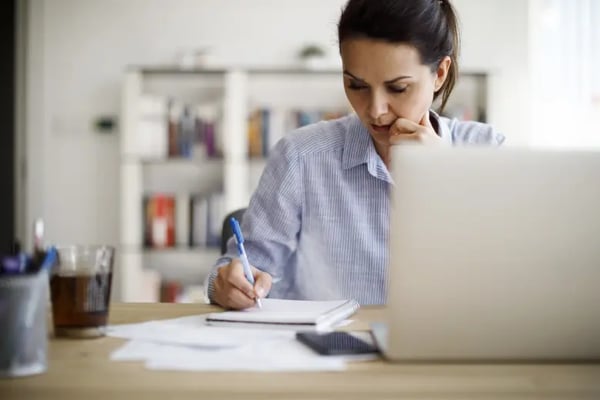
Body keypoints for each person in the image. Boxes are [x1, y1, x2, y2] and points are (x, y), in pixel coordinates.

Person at [205, 0, 505, 309]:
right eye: (356, 85)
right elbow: (240, 267)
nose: (375, 110)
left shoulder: (487, 152)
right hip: (323, 349)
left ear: (440, 73)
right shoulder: (301, 156)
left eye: (398, 88)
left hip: (447, 349)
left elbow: (506, 278)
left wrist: (447, 175)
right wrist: (225, 283)